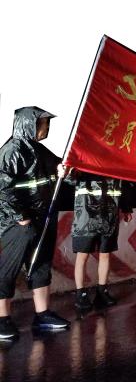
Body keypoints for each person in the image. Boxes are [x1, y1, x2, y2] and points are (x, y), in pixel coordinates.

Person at [0, 107, 70, 341]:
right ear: (28, 124)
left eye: (47, 124)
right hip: (17, 224)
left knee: (40, 266)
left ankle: (42, 315)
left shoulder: (40, 151)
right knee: (7, 270)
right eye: (42, 123)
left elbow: (61, 169)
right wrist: (20, 216)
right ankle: (2, 318)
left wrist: (65, 171)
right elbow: (2, 188)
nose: (46, 128)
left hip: (43, 219)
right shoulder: (12, 151)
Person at [62, 168, 133, 310]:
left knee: (105, 255)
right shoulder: (84, 162)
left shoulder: (116, 165)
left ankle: (102, 292)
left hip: (109, 218)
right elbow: (70, 179)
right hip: (85, 218)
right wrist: (65, 170)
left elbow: (123, 186)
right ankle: (81, 294)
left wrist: (126, 208)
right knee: (82, 256)